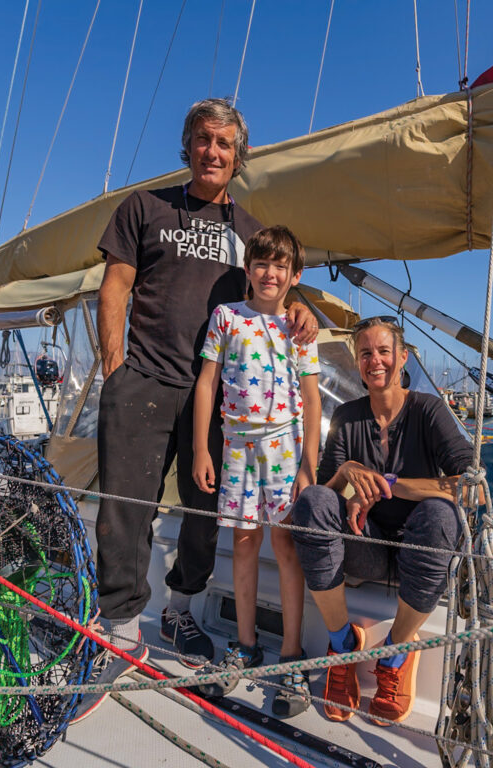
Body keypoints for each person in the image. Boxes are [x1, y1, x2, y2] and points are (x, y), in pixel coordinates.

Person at [72, 98, 318, 724]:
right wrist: (114, 369)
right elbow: (115, 285)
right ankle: (120, 631)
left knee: (206, 511)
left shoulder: (250, 231)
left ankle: (179, 611)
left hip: (216, 393)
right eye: (204, 140)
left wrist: (301, 310)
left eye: (225, 143)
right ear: (188, 147)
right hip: (145, 379)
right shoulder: (145, 208)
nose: (214, 151)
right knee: (125, 509)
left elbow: (273, 291)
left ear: (239, 156)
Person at [289, 317, 477, 725]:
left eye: (384, 351)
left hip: (420, 550)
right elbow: (328, 494)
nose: (375, 361)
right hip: (367, 549)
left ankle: (395, 653)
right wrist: (347, 472)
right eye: (366, 353)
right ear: (357, 362)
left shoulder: (428, 411)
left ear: (403, 357)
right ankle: (342, 644)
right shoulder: (347, 417)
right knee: (312, 502)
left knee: (441, 514)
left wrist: (390, 484)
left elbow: (472, 488)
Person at [190, 225, 321, 718]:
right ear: (248, 269)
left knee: (286, 547)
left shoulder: (300, 327)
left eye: (280, 266)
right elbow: (207, 383)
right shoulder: (226, 317)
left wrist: (308, 466)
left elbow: (312, 400)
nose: (270, 273)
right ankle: (244, 646)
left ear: (295, 275)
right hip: (237, 448)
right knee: (243, 544)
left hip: (284, 448)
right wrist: (202, 450)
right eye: (262, 264)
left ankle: (291, 656)